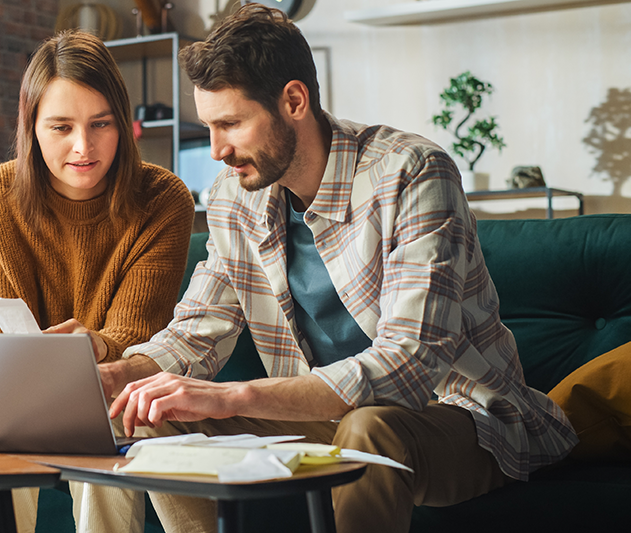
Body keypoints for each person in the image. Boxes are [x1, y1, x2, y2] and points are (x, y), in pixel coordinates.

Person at [97, 5, 578, 533]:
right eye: (210, 126)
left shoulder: (412, 172)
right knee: (153, 414)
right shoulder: (235, 197)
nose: (217, 150)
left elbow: (410, 362)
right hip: (322, 420)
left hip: (457, 417)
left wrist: (237, 394)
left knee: (369, 430)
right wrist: (119, 376)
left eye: (231, 124)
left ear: (294, 101)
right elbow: (197, 330)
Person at [0, 30, 196, 533]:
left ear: (123, 124)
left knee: (106, 414)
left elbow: (139, 336)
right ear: (32, 127)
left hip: (115, 387)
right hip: (17, 394)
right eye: (61, 127)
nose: (83, 146)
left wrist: (96, 345)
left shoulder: (163, 199)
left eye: (101, 124)